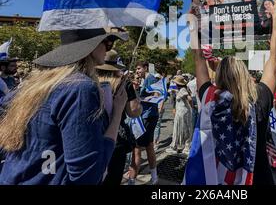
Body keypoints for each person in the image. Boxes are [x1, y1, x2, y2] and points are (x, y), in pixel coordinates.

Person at [0, 28, 128, 184]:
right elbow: (88, 176)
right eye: (107, 42)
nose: (109, 47)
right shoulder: (80, 88)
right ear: (91, 46)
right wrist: (117, 113)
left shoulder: (35, 85)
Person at [185, 0, 276, 185]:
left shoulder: (208, 97)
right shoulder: (259, 96)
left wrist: (192, 24)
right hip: (257, 178)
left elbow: (198, 57)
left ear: (219, 76)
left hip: (216, 179)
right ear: (245, 74)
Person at [96, 50, 142, 186]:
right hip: (115, 137)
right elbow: (134, 111)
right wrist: (139, 102)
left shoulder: (88, 79)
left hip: (93, 135)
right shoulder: (123, 84)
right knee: (113, 178)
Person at [126, 61, 159, 185]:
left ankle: (131, 181)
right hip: (145, 116)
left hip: (147, 117)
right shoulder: (143, 79)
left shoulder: (150, 78)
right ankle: (154, 178)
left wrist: (141, 99)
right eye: (137, 69)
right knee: (149, 146)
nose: (137, 71)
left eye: (139, 69)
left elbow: (157, 96)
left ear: (145, 68)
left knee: (137, 148)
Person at [166, 75, 193, 154]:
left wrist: (191, 107)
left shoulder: (183, 90)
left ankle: (182, 146)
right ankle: (179, 146)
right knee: (180, 128)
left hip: (182, 112)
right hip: (181, 111)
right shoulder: (181, 89)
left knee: (181, 128)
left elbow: (190, 99)